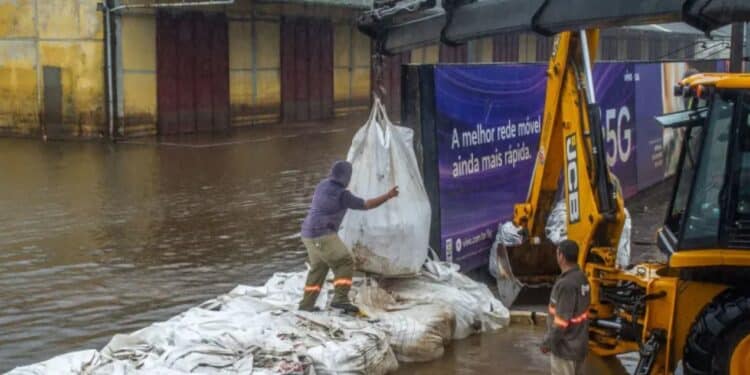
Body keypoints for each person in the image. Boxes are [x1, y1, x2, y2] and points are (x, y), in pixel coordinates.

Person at [298, 160, 398, 313]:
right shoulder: (343, 195)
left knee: (319, 268)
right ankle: (340, 299)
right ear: (346, 177)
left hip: (307, 233)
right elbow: (367, 204)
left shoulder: (322, 185)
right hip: (322, 234)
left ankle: (306, 305)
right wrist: (388, 196)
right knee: (345, 261)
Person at [541, 239, 591, 375]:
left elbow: (561, 322)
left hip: (565, 350)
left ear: (561, 256)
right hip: (580, 347)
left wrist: (547, 343)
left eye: (557, 253)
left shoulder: (566, 284)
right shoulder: (582, 278)